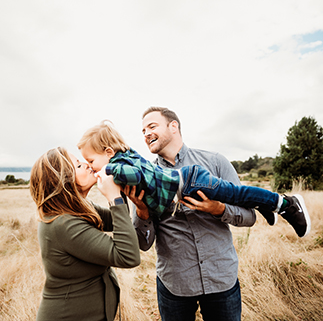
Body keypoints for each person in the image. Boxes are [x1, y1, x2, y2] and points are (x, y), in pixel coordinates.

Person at [127, 106, 310, 321]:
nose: (146, 134)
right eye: (143, 131)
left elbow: (249, 217)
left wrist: (219, 209)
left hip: (221, 279)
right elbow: (144, 243)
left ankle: (280, 204)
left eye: (152, 126)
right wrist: (141, 211)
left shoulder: (215, 162)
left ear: (173, 126)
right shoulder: (146, 179)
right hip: (175, 284)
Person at [77, 120, 310, 238]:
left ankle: (285, 204)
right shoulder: (127, 156)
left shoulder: (118, 166)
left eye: (91, 160)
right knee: (237, 195)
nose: (91, 167)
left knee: (236, 193)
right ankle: (262, 203)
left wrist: (107, 172)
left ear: (108, 153)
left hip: (190, 182)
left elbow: (135, 175)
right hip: (186, 183)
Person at [29, 147, 140, 321]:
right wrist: (113, 198)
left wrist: (119, 190)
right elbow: (128, 256)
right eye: (79, 165)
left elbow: (117, 220)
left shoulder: (78, 209)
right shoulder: (63, 223)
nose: (87, 165)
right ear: (63, 180)